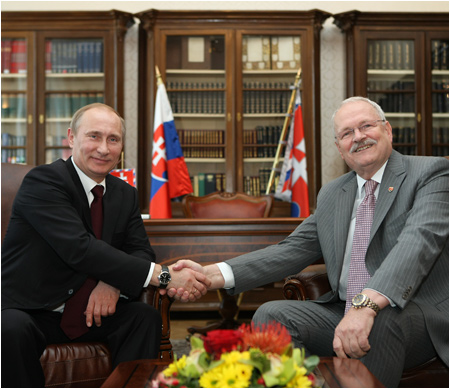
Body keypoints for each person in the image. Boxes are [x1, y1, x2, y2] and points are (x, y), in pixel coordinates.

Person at [169, 97, 449, 387]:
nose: (358, 137)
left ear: (388, 130)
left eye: (366, 126)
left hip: (416, 315)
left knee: (381, 319)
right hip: (344, 310)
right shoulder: (333, 194)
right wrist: (207, 275)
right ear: (339, 148)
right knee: (271, 314)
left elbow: (417, 244)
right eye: (347, 133)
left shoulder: (429, 174)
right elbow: (290, 251)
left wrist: (366, 307)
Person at [1, 103, 209, 387]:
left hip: (88, 311)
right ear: (71, 138)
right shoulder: (44, 182)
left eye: (113, 139)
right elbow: (80, 249)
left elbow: (140, 250)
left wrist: (112, 284)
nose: (103, 148)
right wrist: (166, 275)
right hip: (32, 309)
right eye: (94, 136)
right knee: (9, 328)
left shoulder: (124, 194)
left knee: (143, 318)